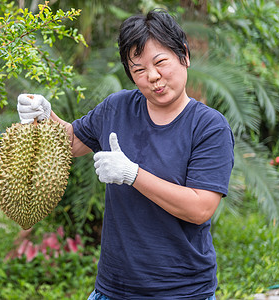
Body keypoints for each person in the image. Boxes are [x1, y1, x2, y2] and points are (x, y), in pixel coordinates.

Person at [17, 9, 234, 300]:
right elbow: (70, 142)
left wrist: (132, 174)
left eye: (160, 62)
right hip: (113, 289)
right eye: (139, 70)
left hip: (181, 292)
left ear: (184, 55)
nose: (153, 77)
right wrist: (45, 117)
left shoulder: (209, 126)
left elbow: (200, 209)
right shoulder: (117, 107)